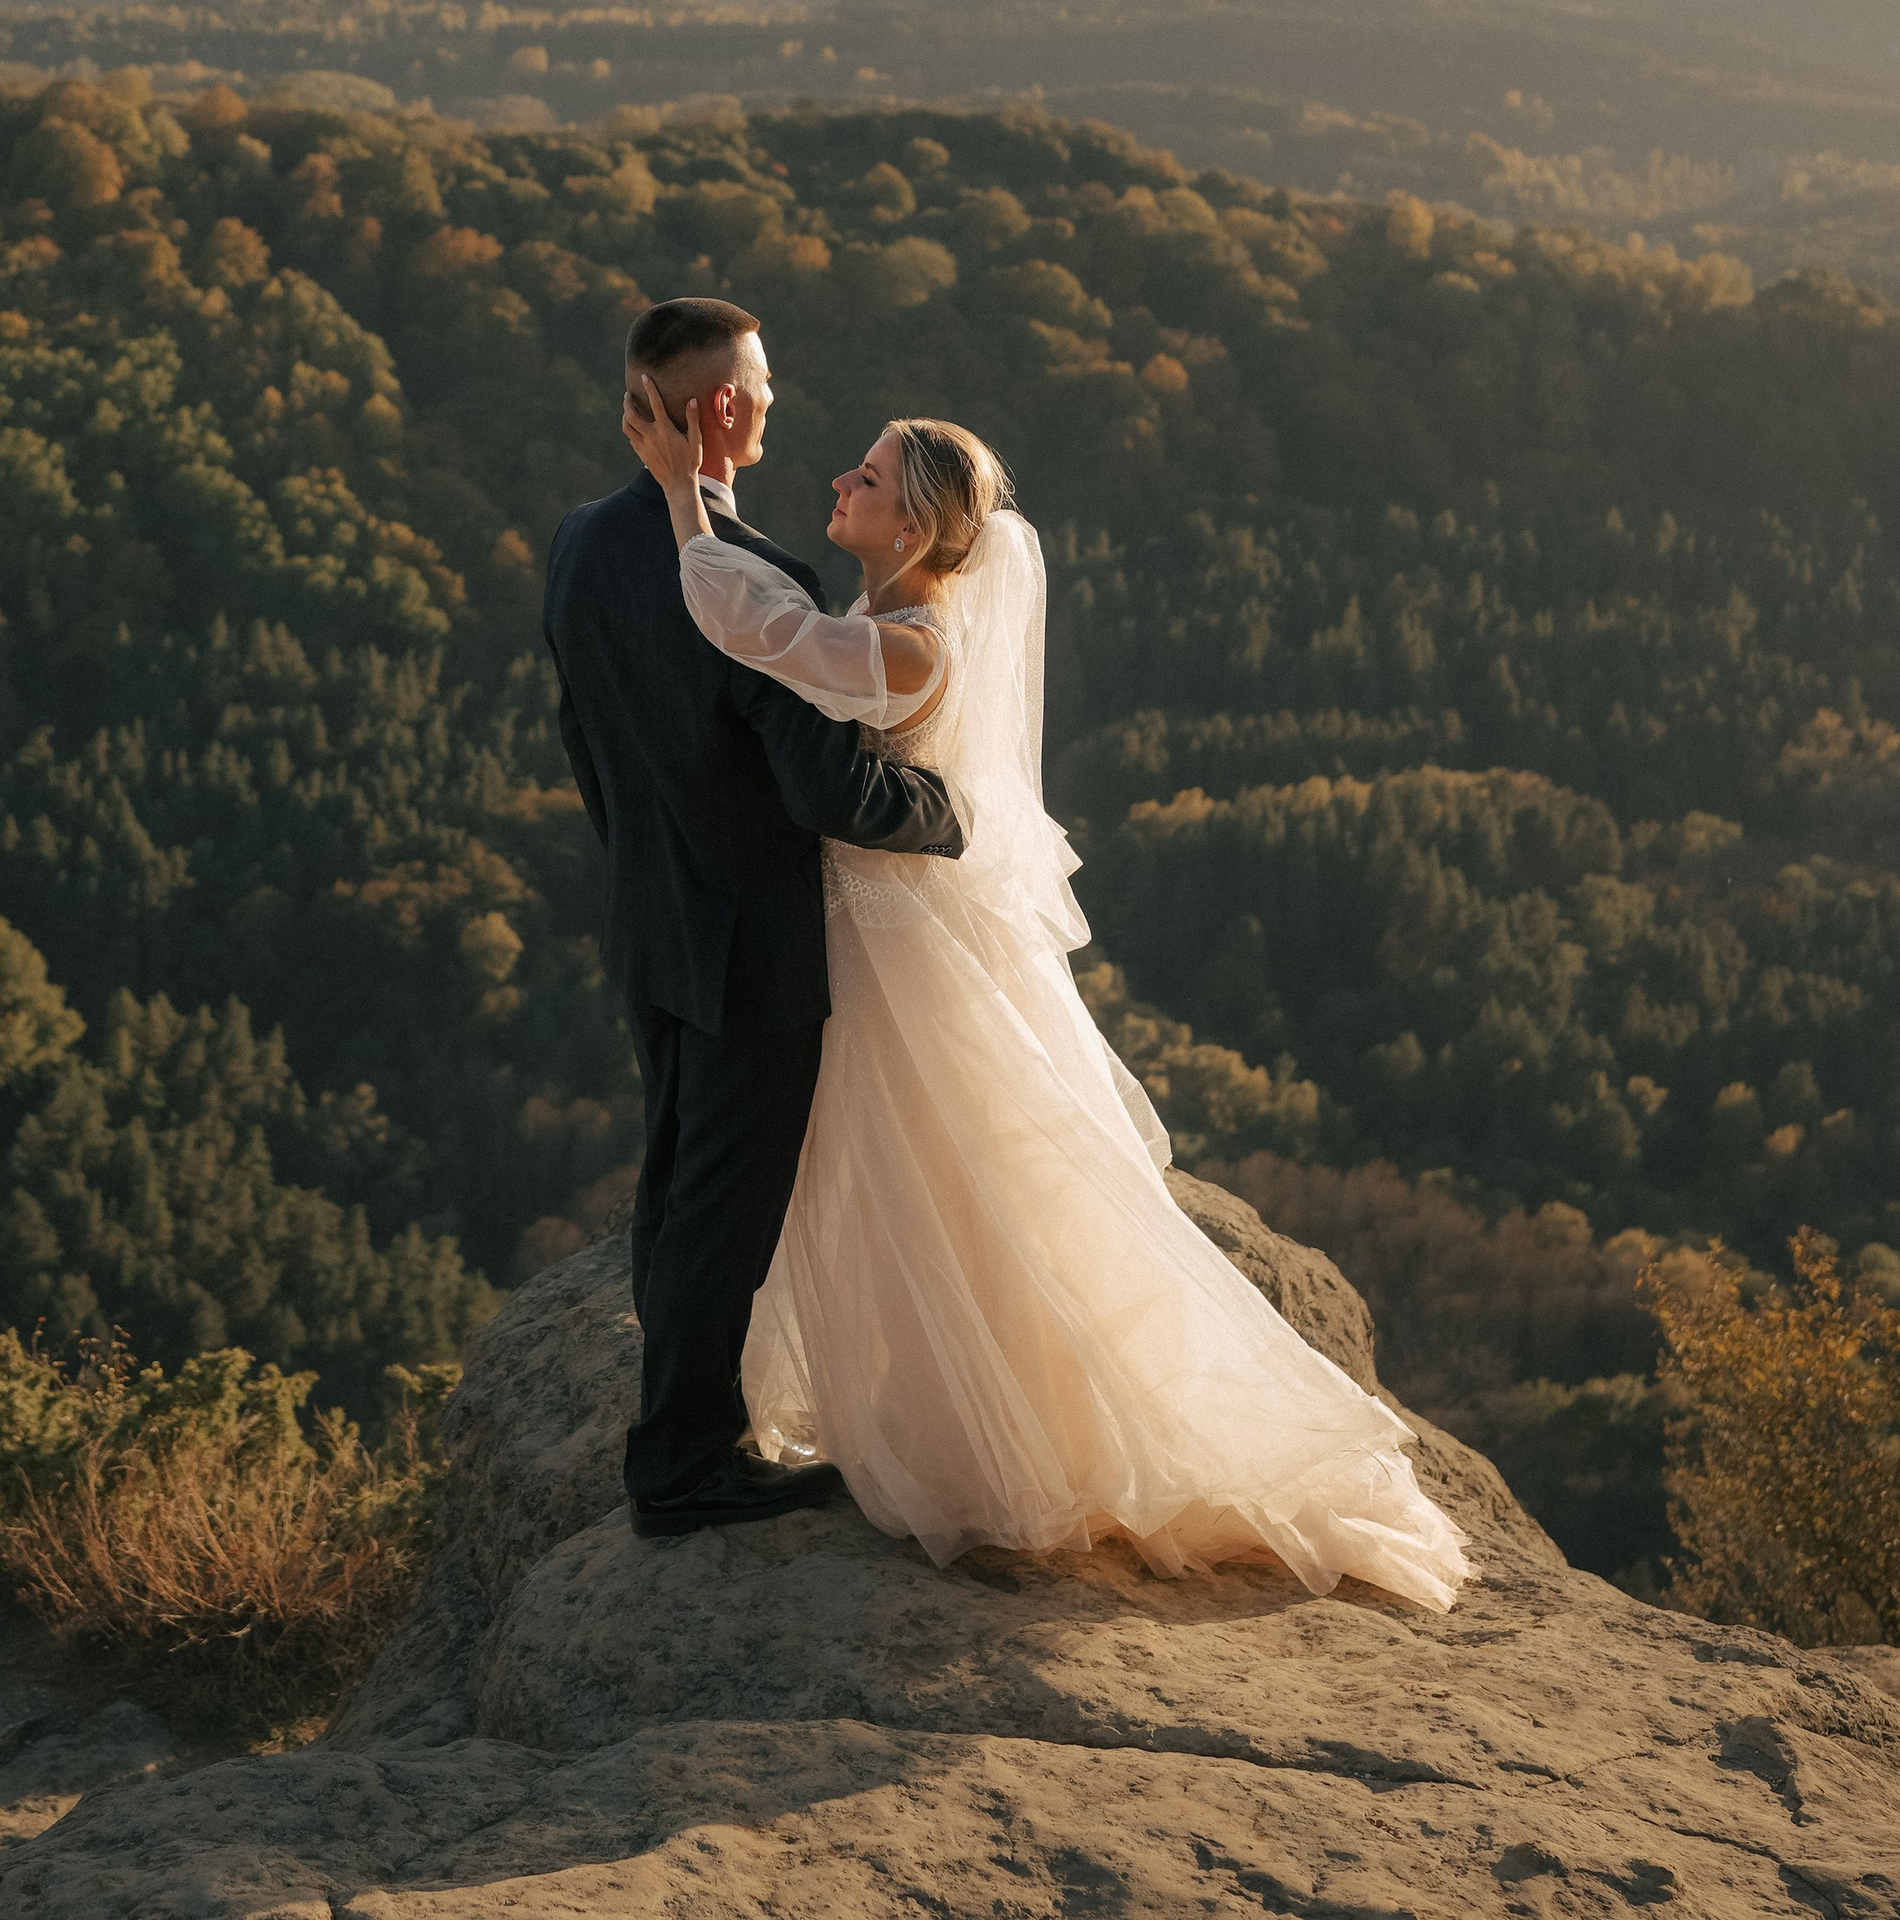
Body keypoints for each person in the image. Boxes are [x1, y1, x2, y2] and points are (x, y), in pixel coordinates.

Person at [617, 376, 1471, 1610]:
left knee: (939, 1172)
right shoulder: (900, 608)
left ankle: (995, 1432)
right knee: (908, 1174)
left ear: (909, 528)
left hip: (893, 944)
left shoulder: (907, 640)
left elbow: (756, 634)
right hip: (878, 928)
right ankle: (936, 1403)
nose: (841, 484)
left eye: (865, 477)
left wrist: (682, 499)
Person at [541, 296, 966, 1540]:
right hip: (751, 946)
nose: (777, 397)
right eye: (763, 381)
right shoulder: (760, 577)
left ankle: (682, 1432)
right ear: (720, 406)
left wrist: (642, 870)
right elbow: (822, 783)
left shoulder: (577, 540)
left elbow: (586, 740)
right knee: (723, 1208)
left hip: (652, 918)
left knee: (676, 1186)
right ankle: (682, 1465)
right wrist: (950, 815)